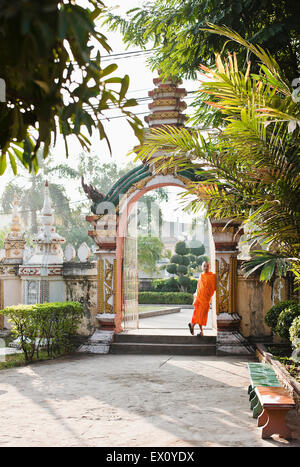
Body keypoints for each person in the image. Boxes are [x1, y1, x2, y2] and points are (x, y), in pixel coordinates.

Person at [188, 261, 216, 336]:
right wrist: (196, 297)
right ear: (202, 267)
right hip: (200, 298)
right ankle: (198, 329)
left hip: (206, 298)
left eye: (207, 266)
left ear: (209, 267)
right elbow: (199, 288)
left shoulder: (212, 276)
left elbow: (213, 286)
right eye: (204, 266)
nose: (206, 267)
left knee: (202, 315)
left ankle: (193, 326)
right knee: (198, 314)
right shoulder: (201, 275)